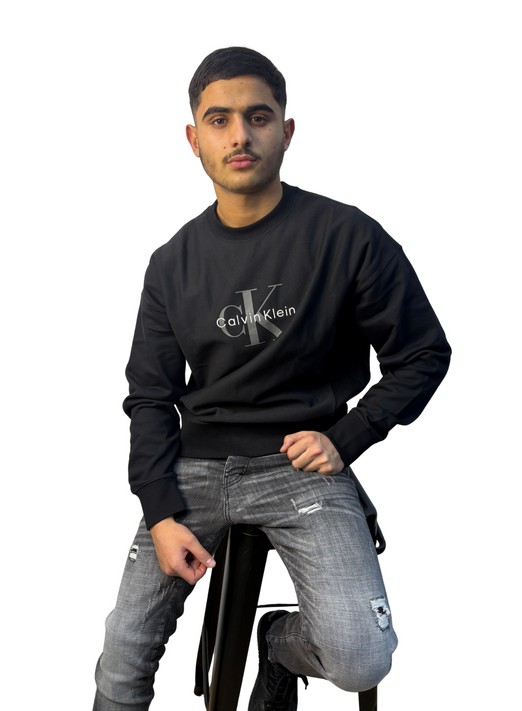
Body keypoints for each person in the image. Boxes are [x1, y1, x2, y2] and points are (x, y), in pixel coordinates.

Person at [93, 47, 451, 711]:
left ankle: (278, 643)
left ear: (285, 131)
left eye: (257, 117)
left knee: (361, 656)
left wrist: (346, 436)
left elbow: (423, 353)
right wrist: (160, 510)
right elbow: (149, 397)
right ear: (193, 139)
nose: (239, 135)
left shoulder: (347, 236)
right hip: (193, 470)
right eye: (219, 120)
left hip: (300, 467)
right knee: (122, 661)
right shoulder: (171, 263)